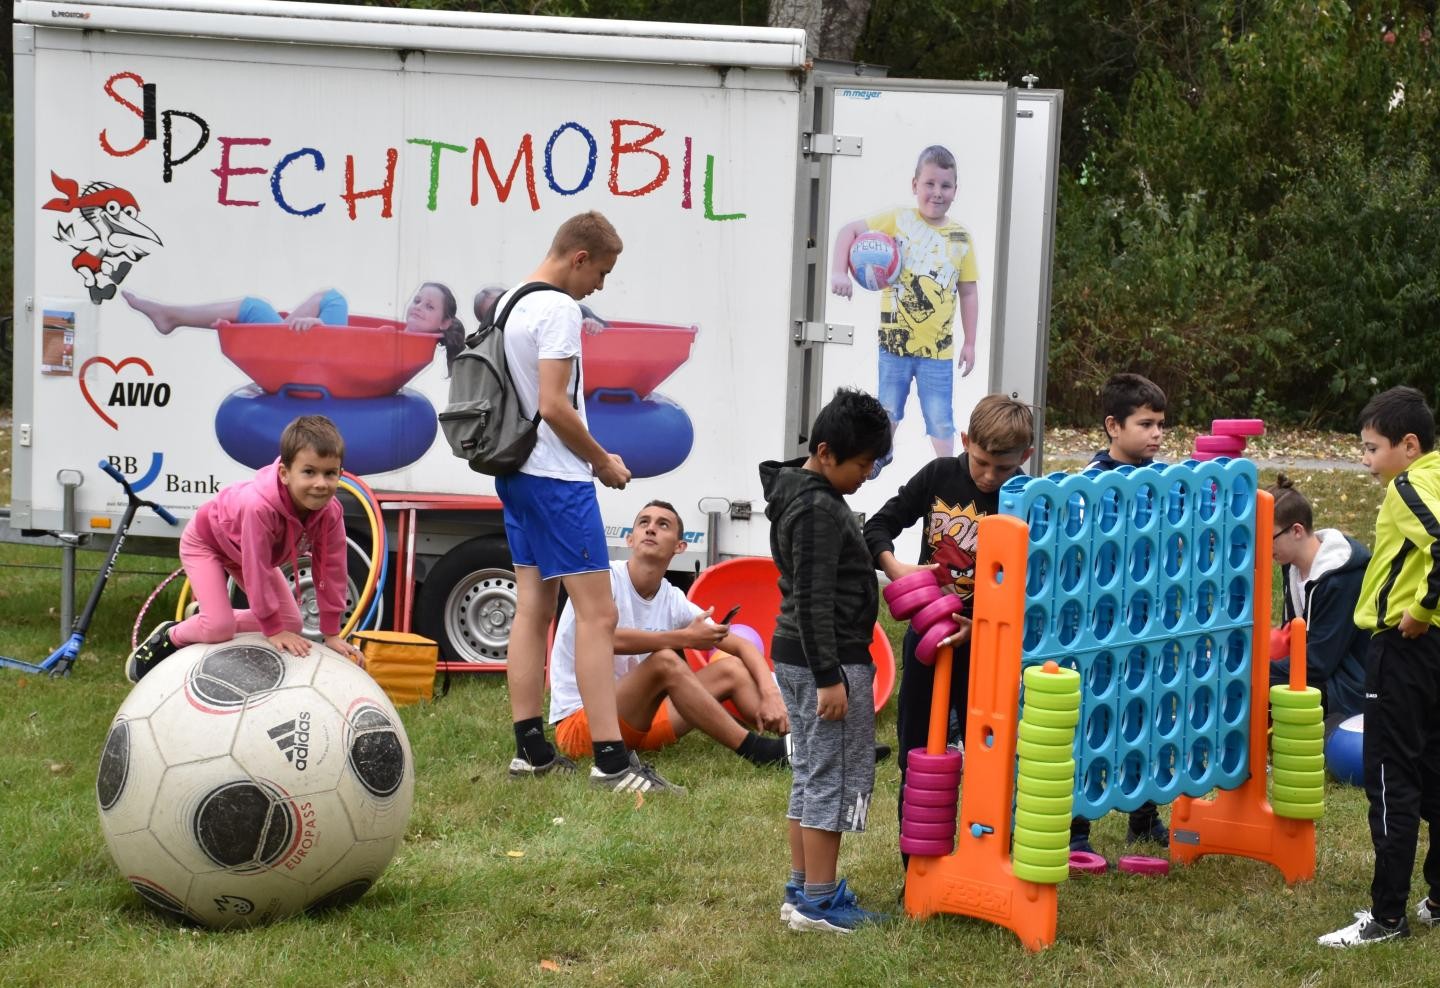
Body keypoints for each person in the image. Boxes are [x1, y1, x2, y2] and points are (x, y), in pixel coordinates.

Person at [495, 210, 680, 794]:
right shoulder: (557, 308)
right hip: (556, 477)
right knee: (599, 616)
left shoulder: (510, 303)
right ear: (578, 258)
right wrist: (601, 460)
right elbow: (554, 403)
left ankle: (530, 749)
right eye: (600, 271)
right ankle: (611, 761)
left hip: (515, 472)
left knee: (533, 607)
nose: (599, 285)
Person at [863, 393, 1034, 868]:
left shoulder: (1026, 499)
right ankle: (914, 867)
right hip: (929, 641)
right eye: (981, 463)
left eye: (1002, 468)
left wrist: (978, 625)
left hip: (990, 646)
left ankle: (983, 861)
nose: (988, 477)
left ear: (1023, 458)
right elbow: (878, 526)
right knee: (918, 753)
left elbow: (1032, 587)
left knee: (990, 756)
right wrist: (898, 570)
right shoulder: (940, 477)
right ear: (965, 442)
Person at [761, 386, 894, 933]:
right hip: (825, 661)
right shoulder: (816, 508)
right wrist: (829, 679)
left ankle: (801, 889)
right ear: (825, 452)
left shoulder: (808, 493)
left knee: (812, 775)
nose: (868, 474)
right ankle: (819, 902)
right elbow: (814, 600)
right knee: (832, 780)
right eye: (863, 464)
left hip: (804, 656)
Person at [547, 500, 790, 778]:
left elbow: (741, 645)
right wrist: (683, 638)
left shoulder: (672, 597)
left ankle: (797, 737)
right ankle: (757, 750)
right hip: (585, 730)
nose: (651, 529)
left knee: (730, 669)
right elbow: (603, 640)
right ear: (630, 538)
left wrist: (771, 695)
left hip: (641, 723)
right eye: (644, 523)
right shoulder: (603, 581)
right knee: (664, 661)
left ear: (680, 547)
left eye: (663, 525)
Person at [1321, 385, 1440, 948]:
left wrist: (1419, 610)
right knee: (1435, 768)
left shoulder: (1409, 485)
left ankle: (1387, 918)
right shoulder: (1437, 474)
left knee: (1391, 780)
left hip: (1404, 648)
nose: (1365, 462)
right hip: (1433, 654)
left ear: (1408, 444)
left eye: (1371, 449)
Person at [125, 414, 365, 681]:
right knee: (219, 628)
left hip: (243, 552)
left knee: (292, 624)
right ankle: (171, 635)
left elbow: (332, 569)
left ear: (340, 473)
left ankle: (206, 616)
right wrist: (272, 630)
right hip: (206, 543)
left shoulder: (330, 513)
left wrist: (331, 633)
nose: (321, 483)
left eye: (330, 473)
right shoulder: (259, 507)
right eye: (309, 472)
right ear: (285, 474)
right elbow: (257, 570)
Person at [830, 145, 980, 477]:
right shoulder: (897, 220)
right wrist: (839, 272)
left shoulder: (960, 238)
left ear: (956, 190)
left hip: (938, 352)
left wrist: (970, 342)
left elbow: (968, 292)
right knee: (887, 410)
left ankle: (947, 471)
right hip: (894, 345)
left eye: (945, 185)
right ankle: (881, 454)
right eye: (929, 183)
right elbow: (848, 232)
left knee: (940, 417)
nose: (937, 193)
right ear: (915, 185)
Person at [1070, 372, 1170, 852]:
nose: (1156, 434)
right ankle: (1076, 828)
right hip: (1100, 627)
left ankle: (1144, 815)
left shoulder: (1163, 482)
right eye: (1145, 424)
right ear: (1113, 425)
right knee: (1092, 721)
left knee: (1143, 715)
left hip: (1148, 622)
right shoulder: (1087, 487)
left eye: (1160, 425)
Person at [122, 282, 466, 367]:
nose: (418, 307)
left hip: (332, 359)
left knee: (255, 307)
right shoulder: (404, 337)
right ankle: (278, 331)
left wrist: (322, 331)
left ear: (444, 321)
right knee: (331, 298)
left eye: (429, 306)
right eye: (417, 300)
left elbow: (366, 362)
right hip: (331, 349)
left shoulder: (412, 346)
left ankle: (171, 316)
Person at [1266, 474, 1369, 718]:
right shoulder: (1291, 566)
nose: (1264, 547)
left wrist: (1255, 670)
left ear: (1297, 531)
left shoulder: (1341, 578)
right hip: (1317, 674)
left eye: (1268, 539)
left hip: (1348, 687)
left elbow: (1318, 664)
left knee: (1250, 684)